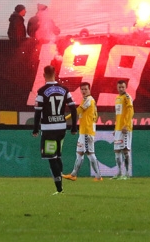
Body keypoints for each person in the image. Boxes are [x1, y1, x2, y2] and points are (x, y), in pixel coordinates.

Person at [32, 64, 78, 194]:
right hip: (61, 129)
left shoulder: (41, 91)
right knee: (57, 155)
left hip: (49, 129)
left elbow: (37, 112)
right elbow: (73, 108)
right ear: (55, 73)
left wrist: (35, 129)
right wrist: (74, 127)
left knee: (51, 157)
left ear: (43, 75)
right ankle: (60, 177)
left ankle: (59, 188)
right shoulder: (64, 89)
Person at [64, 81, 102, 182]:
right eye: (82, 89)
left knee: (90, 153)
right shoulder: (88, 100)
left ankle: (98, 176)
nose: (84, 91)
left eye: (86, 89)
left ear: (89, 90)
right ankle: (73, 174)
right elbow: (95, 115)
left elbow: (78, 111)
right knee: (80, 153)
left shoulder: (89, 100)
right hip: (85, 130)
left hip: (86, 131)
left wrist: (65, 118)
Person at [113, 80, 134, 179]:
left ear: (126, 87)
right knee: (117, 150)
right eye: (119, 87)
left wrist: (126, 125)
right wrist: (115, 127)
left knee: (125, 150)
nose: (121, 89)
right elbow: (118, 116)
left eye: (123, 87)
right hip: (118, 128)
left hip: (125, 128)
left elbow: (130, 112)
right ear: (117, 87)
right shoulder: (117, 98)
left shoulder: (127, 97)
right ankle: (119, 173)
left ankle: (127, 173)